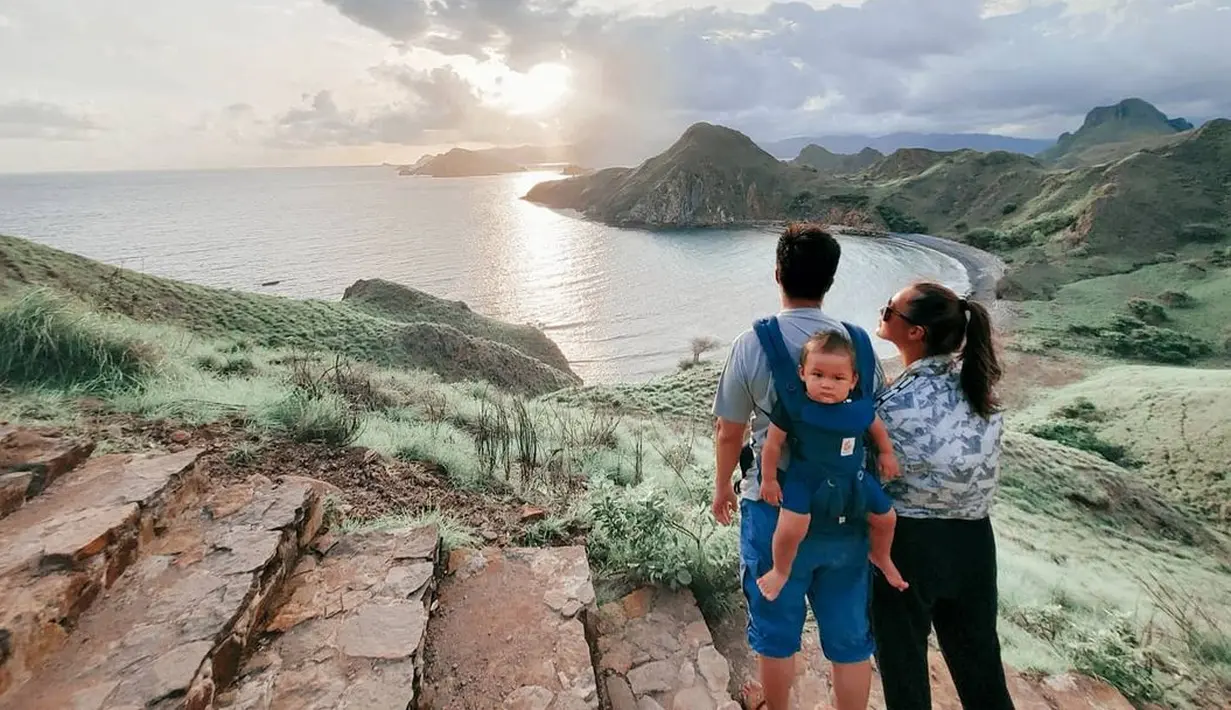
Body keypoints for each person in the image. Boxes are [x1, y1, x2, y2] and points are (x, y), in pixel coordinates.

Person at [711, 222, 881, 710]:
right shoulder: (859, 347)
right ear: (830, 280)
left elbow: (729, 431)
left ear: (777, 273)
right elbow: (869, 421)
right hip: (846, 512)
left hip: (773, 507)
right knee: (850, 638)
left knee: (776, 628)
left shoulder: (752, 343)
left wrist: (722, 488)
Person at [869, 281, 1015, 710]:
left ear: (916, 332)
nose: (883, 313)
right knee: (981, 667)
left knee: (904, 668)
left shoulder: (892, 404)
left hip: (908, 542)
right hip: (974, 541)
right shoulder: (977, 390)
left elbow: (867, 477)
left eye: (889, 309)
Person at [755, 330, 907, 603]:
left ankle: (881, 556)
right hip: (807, 477)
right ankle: (780, 570)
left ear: (853, 381)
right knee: (792, 526)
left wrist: (887, 454)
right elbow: (773, 445)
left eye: (838, 378)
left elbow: (877, 430)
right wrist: (768, 480)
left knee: (886, 518)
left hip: (853, 477)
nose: (827, 384)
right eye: (818, 375)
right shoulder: (794, 408)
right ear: (802, 373)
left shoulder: (859, 409)